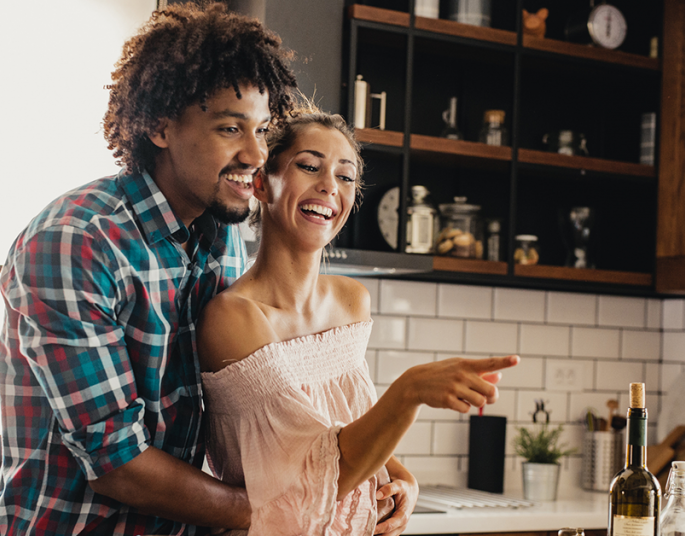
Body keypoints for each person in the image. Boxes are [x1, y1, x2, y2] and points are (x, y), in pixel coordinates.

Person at [0, 4, 298, 534]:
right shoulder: (77, 242)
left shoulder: (222, 237)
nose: (255, 153)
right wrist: (274, 513)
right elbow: (118, 466)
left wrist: (383, 468)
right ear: (159, 127)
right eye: (231, 127)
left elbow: (265, 391)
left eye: (263, 131)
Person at [196, 108, 520, 536]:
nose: (329, 185)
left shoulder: (351, 302)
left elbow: (345, 428)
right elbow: (307, 483)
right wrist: (409, 392)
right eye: (310, 166)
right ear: (261, 183)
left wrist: (402, 476)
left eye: (345, 176)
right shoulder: (232, 319)